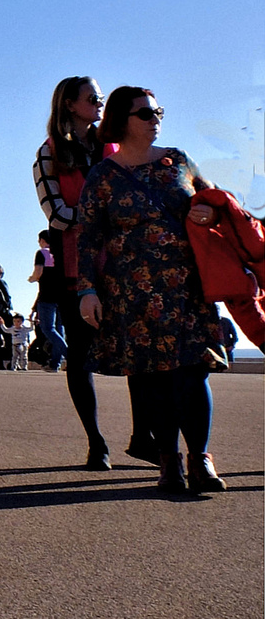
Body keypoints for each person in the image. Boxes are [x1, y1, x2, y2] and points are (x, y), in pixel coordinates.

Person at [76, 87, 226, 494]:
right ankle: (168, 462)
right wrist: (87, 290)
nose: (154, 118)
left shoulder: (178, 160)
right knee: (152, 380)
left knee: (193, 373)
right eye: (145, 113)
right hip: (132, 292)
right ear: (123, 120)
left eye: (157, 110)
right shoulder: (103, 176)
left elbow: (217, 201)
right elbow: (88, 237)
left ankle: (201, 459)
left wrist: (208, 211)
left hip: (188, 286)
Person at [33, 75, 135, 469]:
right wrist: (99, 219)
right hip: (76, 268)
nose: (100, 102)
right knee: (79, 355)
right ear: (70, 104)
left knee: (138, 350)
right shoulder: (49, 153)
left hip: (124, 264)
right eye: (93, 97)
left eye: (101, 97)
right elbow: (56, 214)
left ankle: (145, 435)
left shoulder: (115, 148)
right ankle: (97, 442)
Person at [25, 230, 67, 373]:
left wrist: (32, 278)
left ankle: (69, 356)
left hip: (47, 295)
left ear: (43, 240)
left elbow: (38, 272)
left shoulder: (42, 253)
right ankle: (55, 364)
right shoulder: (61, 252)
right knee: (59, 330)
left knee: (48, 328)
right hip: (62, 296)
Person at [3, 306, 32, 372]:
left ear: (22, 322)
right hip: (14, 345)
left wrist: (32, 323)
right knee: (14, 357)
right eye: (14, 321)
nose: (16, 323)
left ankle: (24, 367)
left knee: (23, 356)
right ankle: (13, 367)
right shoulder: (12, 329)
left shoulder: (24, 328)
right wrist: (2, 324)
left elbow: (31, 329)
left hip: (23, 344)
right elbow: (5, 330)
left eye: (18, 321)